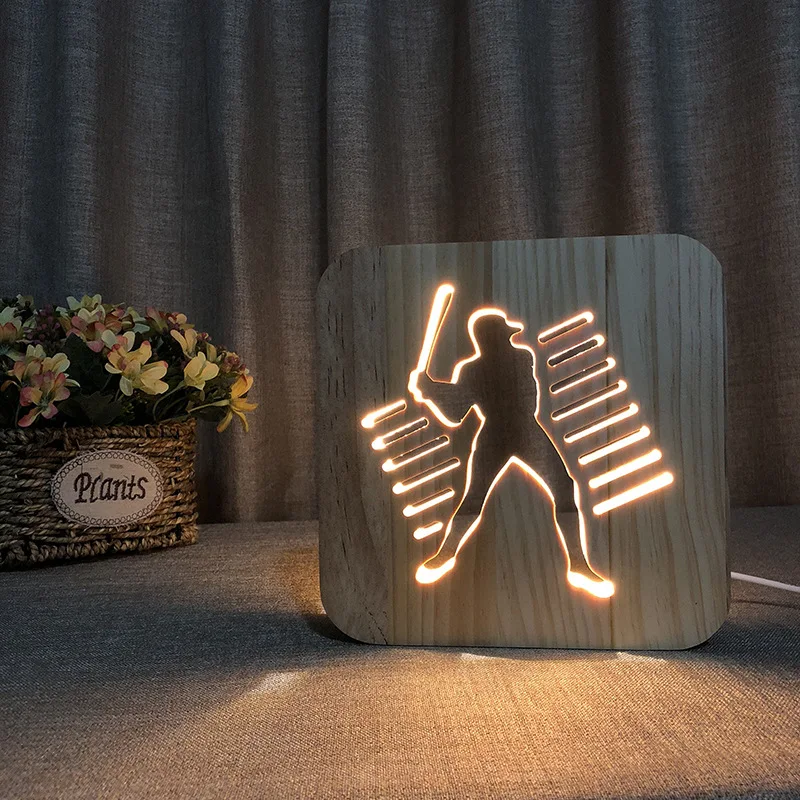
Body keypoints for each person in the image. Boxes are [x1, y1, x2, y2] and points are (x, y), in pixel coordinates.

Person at [408, 308, 614, 598]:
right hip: (496, 434)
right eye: (503, 334)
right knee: (474, 497)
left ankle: (578, 563)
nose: (509, 338)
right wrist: (430, 392)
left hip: (525, 430)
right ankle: (446, 553)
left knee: (564, 487)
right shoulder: (473, 369)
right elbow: (456, 414)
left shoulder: (518, 357)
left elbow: (475, 406)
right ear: (492, 337)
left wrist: (433, 390)